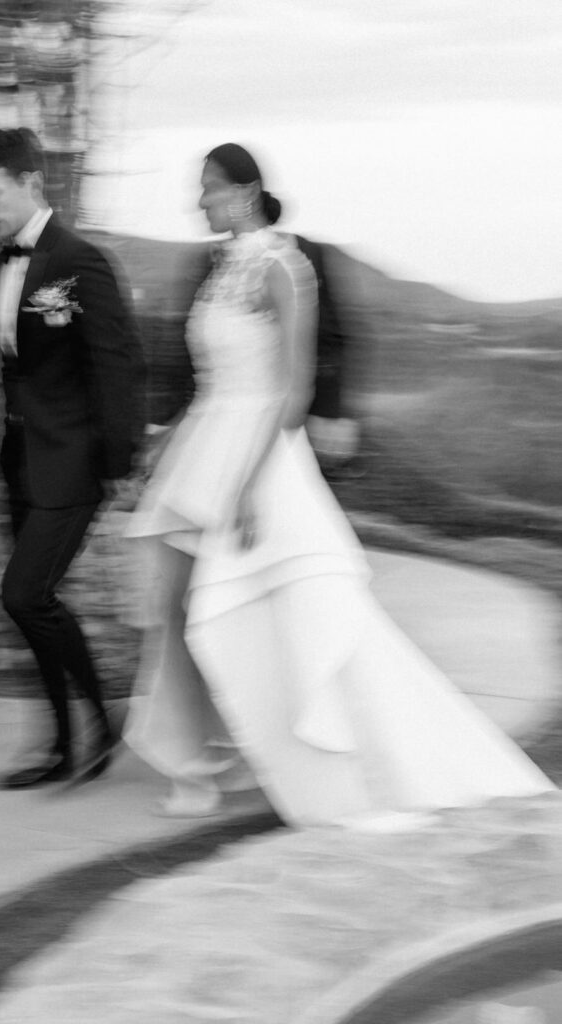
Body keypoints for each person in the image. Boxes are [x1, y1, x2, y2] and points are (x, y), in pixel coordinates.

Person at [122, 141, 554, 829]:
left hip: (257, 456)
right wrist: (164, 443)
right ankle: (200, 758)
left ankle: (316, 751)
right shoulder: (214, 268)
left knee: (258, 611)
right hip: (202, 444)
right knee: (172, 605)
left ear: (243, 190)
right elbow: (208, 381)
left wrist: (245, 485)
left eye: (206, 187)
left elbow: (290, 391)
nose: (196, 200)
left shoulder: (284, 269)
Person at [0, 128, 144, 789]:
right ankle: (61, 746)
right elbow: (17, 372)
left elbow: (116, 363)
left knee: (24, 594)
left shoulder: (81, 260)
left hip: (75, 461)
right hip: (17, 462)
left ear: (29, 184)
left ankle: (99, 718)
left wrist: (120, 463)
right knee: (29, 603)